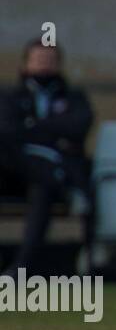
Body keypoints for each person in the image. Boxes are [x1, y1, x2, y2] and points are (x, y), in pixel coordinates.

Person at [0, 40, 94, 275]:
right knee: (30, 164)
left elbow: (79, 127)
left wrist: (32, 128)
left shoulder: (74, 97)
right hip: (12, 175)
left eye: (50, 61)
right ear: (25, 64)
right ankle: (62, 181)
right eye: (38, 60)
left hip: (43, 185)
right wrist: (54, 137)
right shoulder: (9, 97)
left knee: (42, 189)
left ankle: (21, 267)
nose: (44, 67)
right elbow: (7, 132)